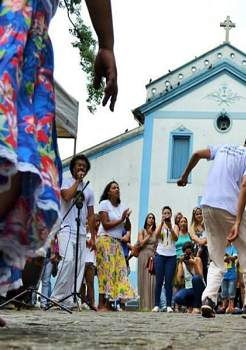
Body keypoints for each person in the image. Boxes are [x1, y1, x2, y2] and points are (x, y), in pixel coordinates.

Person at [0, 0, 117, 327]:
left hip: (30, 42)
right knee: (14, 157)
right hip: (15, 24)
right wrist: (106, 44)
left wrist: (106, 44)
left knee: (20, 169)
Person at [177, 131, 246, 319]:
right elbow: (244, 186)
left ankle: (208, 299)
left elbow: (195, 155)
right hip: (229, 207)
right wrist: (236, 221)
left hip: (208, 205)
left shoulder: (222, 147)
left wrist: (185, 175)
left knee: (216, 258)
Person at [50, 155, 96, 310]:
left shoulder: (89, 190)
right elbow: (67, 196)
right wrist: (77, 181)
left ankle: (69, 301)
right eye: (78, 165)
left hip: (81, 232)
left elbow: (90, 215)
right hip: (66, 229)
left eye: (84, 166)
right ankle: (56, 298)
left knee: (78, 266)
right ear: (73, 168)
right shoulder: (66, 181)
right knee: (68, 261)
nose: (81, 167)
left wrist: (93, 237)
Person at [96, 181, 137, 311]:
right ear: (108, 191)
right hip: (105, 239)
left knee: (118, 272)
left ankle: (110, 303)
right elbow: (106, 224)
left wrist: (127, 218)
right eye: (114, 188)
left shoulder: (121, 206)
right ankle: (101, 303)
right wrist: (121, 219)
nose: (117, 189)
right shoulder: (104, 204)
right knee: (106, 271)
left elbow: (127, 227)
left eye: (118, 187)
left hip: (117, 242)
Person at [152, 206, 178, 313]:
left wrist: (170, 227)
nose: (166, 215)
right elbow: (156, 236)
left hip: (171, 256)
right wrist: (161, 222)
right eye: (165, 213)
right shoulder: (159, 226)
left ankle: (168, 305)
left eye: (168, 213)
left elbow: (176, 238)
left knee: (168, 281)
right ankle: (157, 305)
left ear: (171, 215)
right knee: (159, 280)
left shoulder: (175, 226)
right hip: (160, 254)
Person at [173, 242, 205, 314]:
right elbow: (179, 279)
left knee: (195, 278)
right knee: (177, 298)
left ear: (193, 253)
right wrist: (181, 263)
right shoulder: (182, 263)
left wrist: (194, 264)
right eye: (186, 254)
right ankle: (191, 305)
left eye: (189, 253)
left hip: (199, 288)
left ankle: (197, 307)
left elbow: (200, 276)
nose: (188, 256)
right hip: (189, 289)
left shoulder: (197, 260)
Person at [137, 213, 156, 311]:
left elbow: (157, 244)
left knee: (152, 281)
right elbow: (140, 244)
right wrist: (148, 235)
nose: (151, 220)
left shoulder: (155, 232)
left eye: (153, 218)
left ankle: (151, 305)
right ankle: (143, 305)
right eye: (149, 218)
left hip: (152, 257)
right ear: (146, 220)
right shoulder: (142, 231)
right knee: (143, 281)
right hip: (143, 256)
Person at [189, 207, 208, 282]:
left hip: (207, 251)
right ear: (194, 216)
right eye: (197, 214)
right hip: (196, 252)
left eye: (200, 214)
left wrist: (205, 243)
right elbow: (193, 237)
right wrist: (202, 242)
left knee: (206, 272)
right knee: (199, 272)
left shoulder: (206, 225)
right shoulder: (192, 227)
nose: (199, 215)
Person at [220, 242, 238, 313]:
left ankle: (231, 306)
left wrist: (227, 255)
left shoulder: (233, 248)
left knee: (231, 290)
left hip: (231, 273)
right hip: (223, 273)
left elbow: (235, 257)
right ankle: (224, 305)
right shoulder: (221, 248)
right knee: (224, 290)